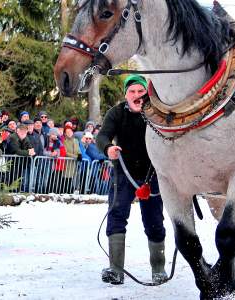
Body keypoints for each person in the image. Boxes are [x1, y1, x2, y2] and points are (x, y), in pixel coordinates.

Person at [96, 74, 167, 285]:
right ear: (126, 95)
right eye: (132, 92)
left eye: (140, 91)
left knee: (154, 221)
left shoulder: (157, 113)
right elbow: (102, 136)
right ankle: (115, 270)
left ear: (147, 94)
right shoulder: (116, 113)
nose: (136, 95)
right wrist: (108, 148)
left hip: (151, 174)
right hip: (123, 173)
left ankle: (158, 269)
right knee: (117, 215)